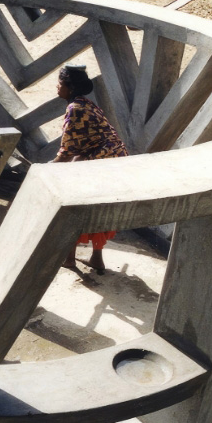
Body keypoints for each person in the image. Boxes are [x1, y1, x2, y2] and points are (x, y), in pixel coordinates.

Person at [53, 64, 129, 274]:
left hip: (102, 163)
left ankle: (69, 259)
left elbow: (68, 149)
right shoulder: (85, 104)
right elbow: (80, 146)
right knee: (99, 209)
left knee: (75, 207)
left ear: (70, 87)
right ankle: (96, 258)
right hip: (113, 160)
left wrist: (48, 168)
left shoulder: (75, 109)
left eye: (60, 83)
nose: (57, 87)